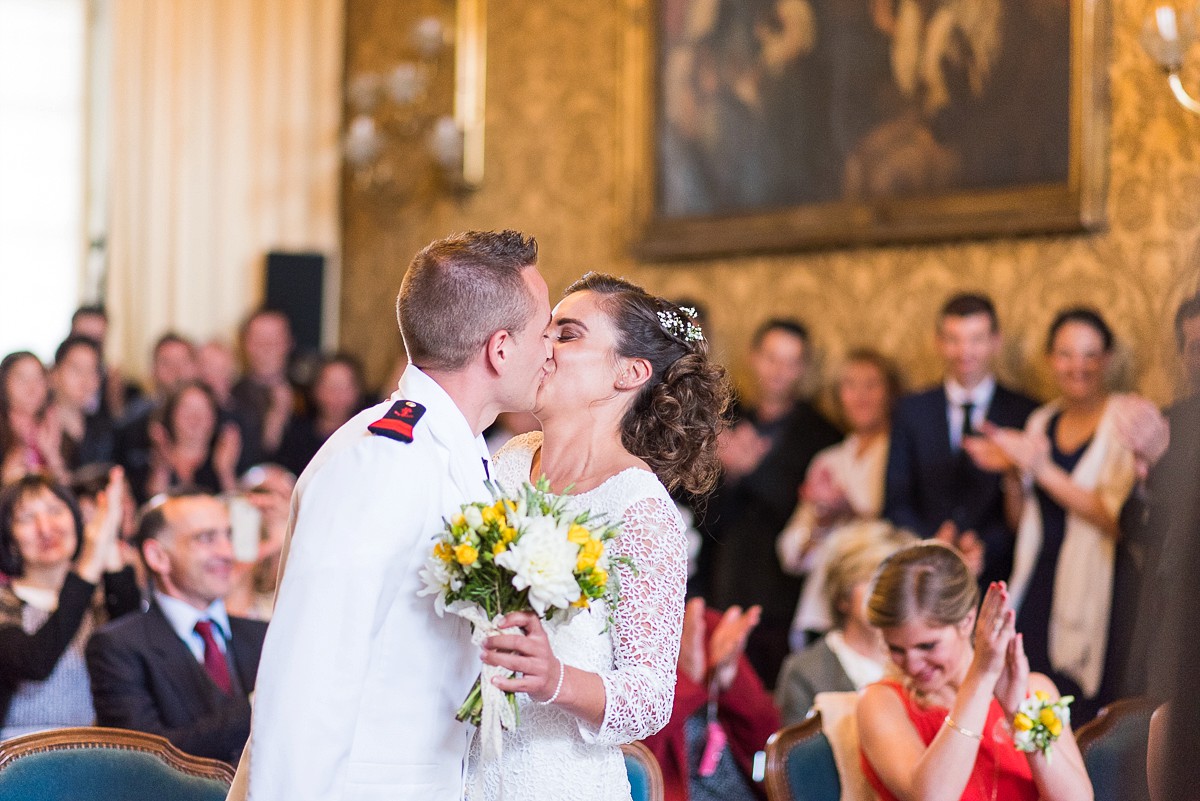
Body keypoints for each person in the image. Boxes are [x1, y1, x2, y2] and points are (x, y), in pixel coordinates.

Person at [229, 229, 554, 801]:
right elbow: (309, 675)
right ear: (499, 348)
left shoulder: (457, 452)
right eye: (544, 329)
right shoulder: (383, 459)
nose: (550, 348)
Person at [466, 272, 731, 800]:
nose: (543, 344)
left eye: (567, 334)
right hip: (462, 768)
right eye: (546, 330)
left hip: (554, 779)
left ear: (629, 373)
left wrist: (554, 678)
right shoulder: (512, 460)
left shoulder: (640, 509)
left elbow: (651, 700)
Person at [975, 308, 1138, 722]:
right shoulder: (1041, 420)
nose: (1077, 366)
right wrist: (1013, 474)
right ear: (1050, 358)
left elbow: (1118, 520)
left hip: (1100, 584)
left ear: (1107, 358)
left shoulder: (1125, 420)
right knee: (1029, 706)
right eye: (1065, 354)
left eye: (1089, 354)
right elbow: (1020, 521)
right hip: (1038, 579)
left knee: (1085, 714)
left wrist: (1043, 470)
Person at [857, 543, 1092, 801]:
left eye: (927, 645)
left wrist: (1018, 713)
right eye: (896, 649)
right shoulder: (880, 702)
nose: (912, 665)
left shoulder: (1035, 689)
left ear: (967, 621)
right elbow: (932, 797)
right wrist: (980, 678)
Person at [700, 319, 840, 687]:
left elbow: (806, 509)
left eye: (791, 361)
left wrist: (752, 470)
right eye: (771, 358)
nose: (779, 371)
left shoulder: (821, 433)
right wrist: (727, 473)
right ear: (754, 358)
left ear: (803, 368)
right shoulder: (727, 421)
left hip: (782, 593)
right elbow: (703, 511)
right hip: (722, 581)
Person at [87, 490, 268, 764]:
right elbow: (145, 757)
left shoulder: (264, 635)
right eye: (206, 538)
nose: (227, 552)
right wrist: (256, 709)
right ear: (158, 556)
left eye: (229, 536)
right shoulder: (118, 646)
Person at [883, 293, 1038, 586]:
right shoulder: (911, 410)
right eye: (954, 339)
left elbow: (1033, 509)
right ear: (939, 342)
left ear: (995, 341)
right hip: (925, 574)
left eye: (976, 339)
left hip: (1003, 573)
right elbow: (896, 501)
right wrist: (933, 542)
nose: (965, 351)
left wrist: (983, 546)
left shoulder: (1025, 413)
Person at [0, 469, 138, 739]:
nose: (45, 527)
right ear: (9, 539)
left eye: (55, 511)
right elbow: (35, 663)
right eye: (27, 518)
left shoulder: (97, 598)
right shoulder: (6, 603)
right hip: (17, 757)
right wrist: (89, 560)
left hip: (97, 750)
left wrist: (107, 538)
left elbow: (135, 641)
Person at [776, 349, 901, 641]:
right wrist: (820, 522)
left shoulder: (900, 456)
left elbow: (904, 529)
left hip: (877, 609)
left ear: (891, 392)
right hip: (822, 607)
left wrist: (849, 510)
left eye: (871, 385)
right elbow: (791, 553)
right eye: (850, 385)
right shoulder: (828, 460)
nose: (860, 396)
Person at [776, 520, 914, 725]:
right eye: (872, 581)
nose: (885, 595)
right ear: (842, 596)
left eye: (894, 584)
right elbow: (796, 754)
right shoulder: (805, 672)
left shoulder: (919, 662)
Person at [643, 599, 779, 801]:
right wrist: (689, 680)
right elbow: (634, 757)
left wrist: (729, 680)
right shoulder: (629, 637)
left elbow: (767, 739)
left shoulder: (708, 626)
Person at [139, 382, 241, 501]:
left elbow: (237, 512)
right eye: (187, 409)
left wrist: (225, 471)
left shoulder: (224, 459)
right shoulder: (152, 458)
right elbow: (151, 509)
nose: (195, 418)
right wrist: (162, 468)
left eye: (203, 410)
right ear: (171, 415)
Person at [274, 354, 369, 476]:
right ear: (315, 389)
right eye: (329, 385)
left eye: (343, 387)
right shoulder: (296, 436)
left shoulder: (367, 436)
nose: (336, 395)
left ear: (358, 391)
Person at [230, 309, 296, 467]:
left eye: (275, 341)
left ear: (289, 343)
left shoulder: (312, 397)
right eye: (259, 342)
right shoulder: (231, 399)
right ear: (245, 345)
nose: (267, 349)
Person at [0, 351, 67, 485]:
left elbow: (67, 491)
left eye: (38, 378)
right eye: (22, 379)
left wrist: (52, 456)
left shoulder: (53, 426)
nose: (32, 388)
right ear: (4, 383)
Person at [50, 336, 115, 471]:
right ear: (54, 374)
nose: (86, 381)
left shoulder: (104, 429)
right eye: (77, 369)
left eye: (92, 371)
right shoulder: (36, 431)